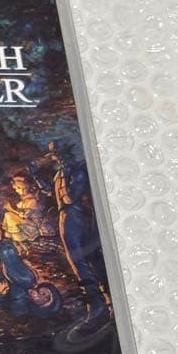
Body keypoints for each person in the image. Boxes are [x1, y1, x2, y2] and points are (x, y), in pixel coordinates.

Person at [32, 140, 111, 327]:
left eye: (59, 154)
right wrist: (36, 176)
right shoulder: (60, 174)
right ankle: (99, 305)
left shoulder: (77, 172)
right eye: (54, 155)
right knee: (79, 261)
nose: (57, 158)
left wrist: (67, 176)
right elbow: (51, 192)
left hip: (76, 216)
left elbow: (69, 198)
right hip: (65, 217)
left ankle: (101, 305)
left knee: (83, 260)